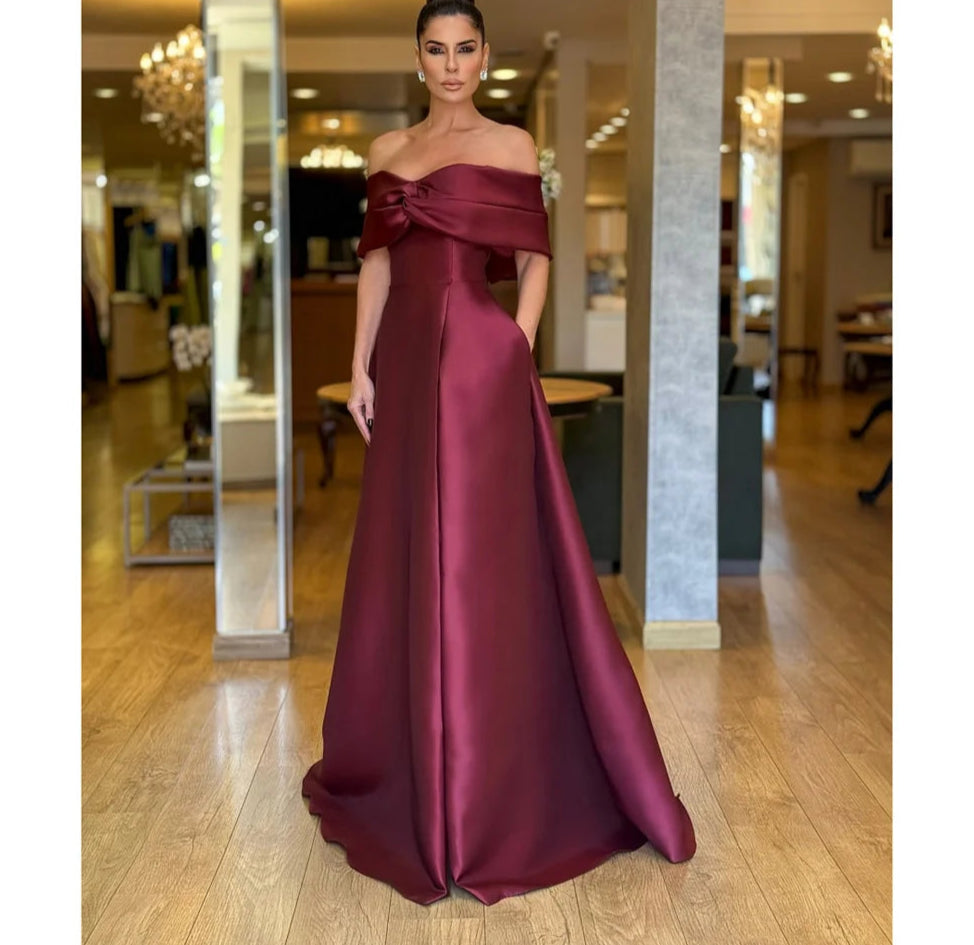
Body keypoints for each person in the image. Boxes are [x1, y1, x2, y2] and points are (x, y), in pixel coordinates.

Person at [302, 0, 696, 906]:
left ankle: (488, 788)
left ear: (486, 56)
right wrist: (357, 365)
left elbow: (535, 256)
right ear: (418, 58)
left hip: (477, 358)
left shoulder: (512, 146)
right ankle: (412, 769)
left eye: (465, 49)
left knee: (478, 563)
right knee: (410, 553)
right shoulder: (385, 154)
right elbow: (377, 262)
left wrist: (514, 341)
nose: (451, 65)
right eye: (436, 50)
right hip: (402, 363)